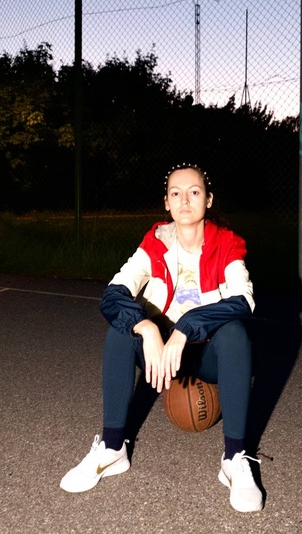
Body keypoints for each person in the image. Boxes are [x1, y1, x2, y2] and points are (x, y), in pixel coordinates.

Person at [60, 163, 263, 513]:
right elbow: (114, 293)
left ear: (208, 199)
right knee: (122, 329)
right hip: (161, 353)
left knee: (235, 333)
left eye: (194, 192)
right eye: (175, 193)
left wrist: (188, 325)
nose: (185, 200)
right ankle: (112, 448)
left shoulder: (225, 244)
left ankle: (234, 459)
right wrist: (145, 326)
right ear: (166, 203)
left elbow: (243, 300)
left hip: (206, 353)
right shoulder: (155, 243)